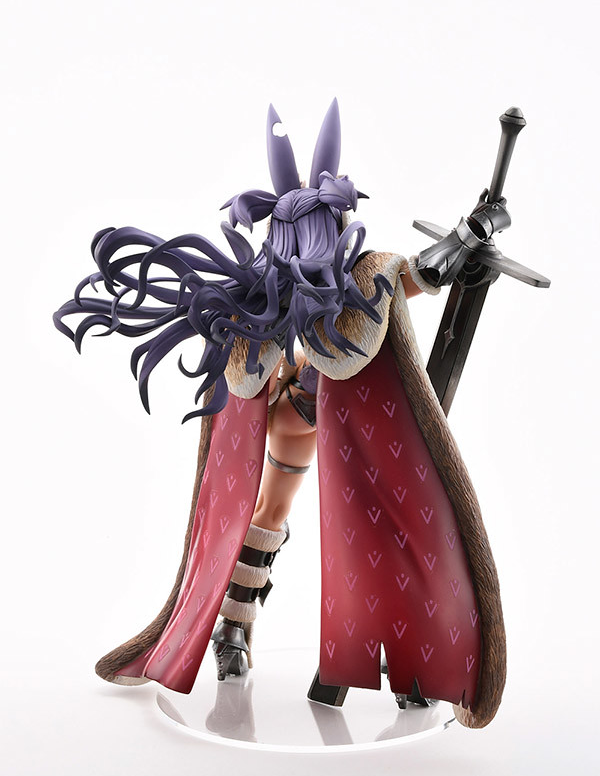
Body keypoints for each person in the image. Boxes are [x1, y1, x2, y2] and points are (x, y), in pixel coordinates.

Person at [54, 101, 506, 729]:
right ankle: (233, 629)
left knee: (380, 529)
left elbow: (424, 273)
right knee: (267, 512)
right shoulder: (264, 297)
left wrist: (469, 232)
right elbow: (248, 374)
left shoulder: (364, 278)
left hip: (357, 429)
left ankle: (406, 663)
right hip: (297, 415)